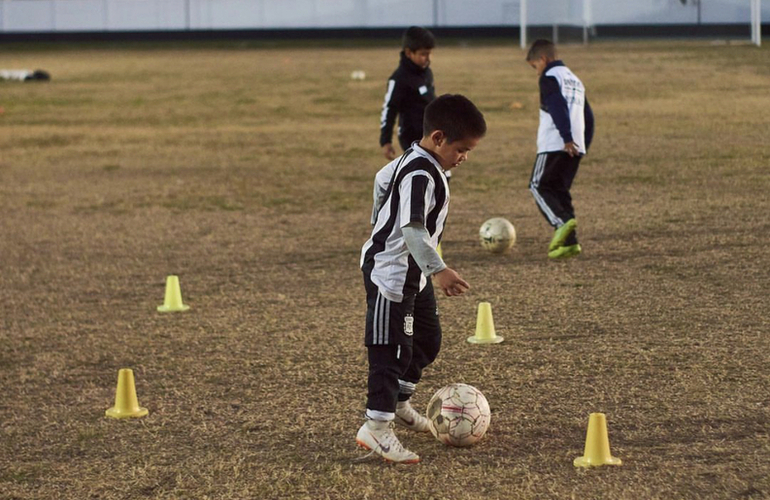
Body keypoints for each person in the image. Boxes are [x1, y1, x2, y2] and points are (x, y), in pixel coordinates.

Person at [358, 94, 486, 463]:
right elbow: (413, 229)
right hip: (392, 273)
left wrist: (378, 218)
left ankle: (399, 402)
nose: (464, 157)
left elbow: (381, 179)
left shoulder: (422, 161)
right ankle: (376, 428)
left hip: (415, 273)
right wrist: (439, 269)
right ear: (439, 138)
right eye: (461, 149)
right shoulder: (419, 172)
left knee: (428, 339)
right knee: (389, 349)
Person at [525, 39, 594, 259]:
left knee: (538, 185)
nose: (537, 73)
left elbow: (556, 105)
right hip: (575, 146)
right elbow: (588, 117)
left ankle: (561, 223)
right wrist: (582, 144)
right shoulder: (575, 79)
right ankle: (570, 243)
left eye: (535, 66)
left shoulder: (550, 77)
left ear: (543, 59)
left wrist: (565, 137)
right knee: (559, 190)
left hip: (555, 143)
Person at [379, 27, 436, 162]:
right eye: (423, 54)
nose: (428, 58)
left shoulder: (427, 73)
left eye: (430, 54)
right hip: (411, 135)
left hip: (430, 132)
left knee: (443, 173)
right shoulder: (399, 79)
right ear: (409, 53)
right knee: (427, 170)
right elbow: (389, 109)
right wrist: (385, 141)